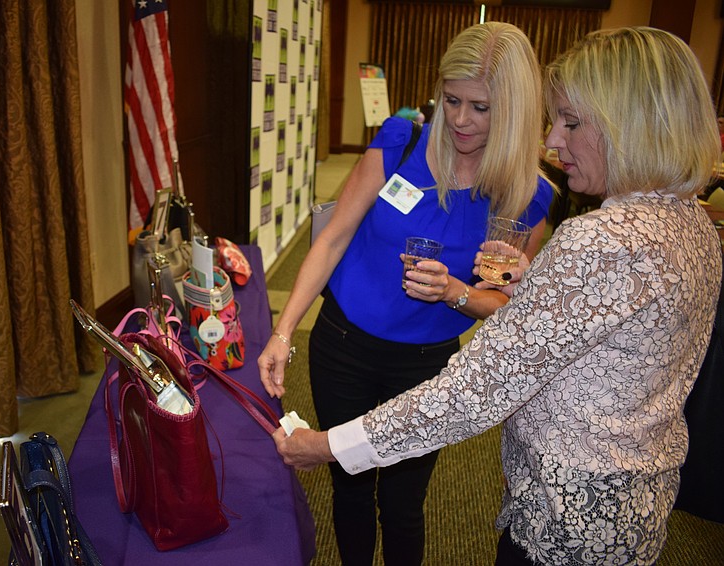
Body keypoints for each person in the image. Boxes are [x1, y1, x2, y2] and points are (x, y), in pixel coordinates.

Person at [272, 27, 723, 565]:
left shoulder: (597, 237)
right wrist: (534, 284)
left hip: (567, 513)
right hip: (632, 503)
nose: (553, 142)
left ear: (633, 125)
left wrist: (327, 447)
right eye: (453, 101)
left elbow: (479, 388)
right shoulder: (695, 225)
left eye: (572, 123)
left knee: (402, 504)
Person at [258, 22, 553, 565]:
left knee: (403, 502)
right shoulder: (401, 142)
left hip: (424, 367)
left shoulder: (527, 194)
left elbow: (509, 303)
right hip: (341, 344)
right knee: (348, 484)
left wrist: (455, 292)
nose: (461, 120)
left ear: (512, 109)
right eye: (452, 99)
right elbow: (331, 239)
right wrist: (281, 332)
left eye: (482, 108)